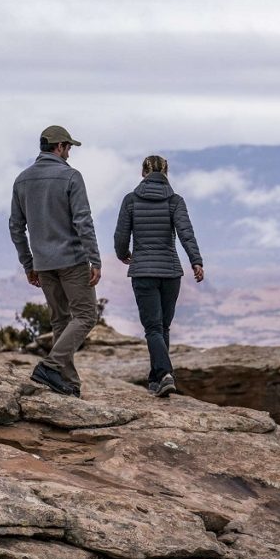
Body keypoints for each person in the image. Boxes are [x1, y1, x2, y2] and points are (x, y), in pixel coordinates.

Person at [9, 125, 102, 397]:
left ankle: (68, 383)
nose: (69, 153)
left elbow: (16, 226)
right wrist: (94, 258)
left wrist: (28, 263)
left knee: (61, 319)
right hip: (72, 260)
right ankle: (50, 365)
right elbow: (83, 220)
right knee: (85, 316)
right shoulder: (70, 176)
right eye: (68, 148)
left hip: (43, 263)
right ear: (59, 147)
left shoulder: (22, 180)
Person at [113, 155, 203, 397]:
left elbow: (121, 235)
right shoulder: (175, 201)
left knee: (153, 327)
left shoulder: (130, 200)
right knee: (163, 327)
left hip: (143, 271)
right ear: (166, 173)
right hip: (170, 271)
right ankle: (157, 379)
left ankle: (163, 374)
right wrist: (196, 260)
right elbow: (186, 233)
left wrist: (123, 254)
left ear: (143, 172)